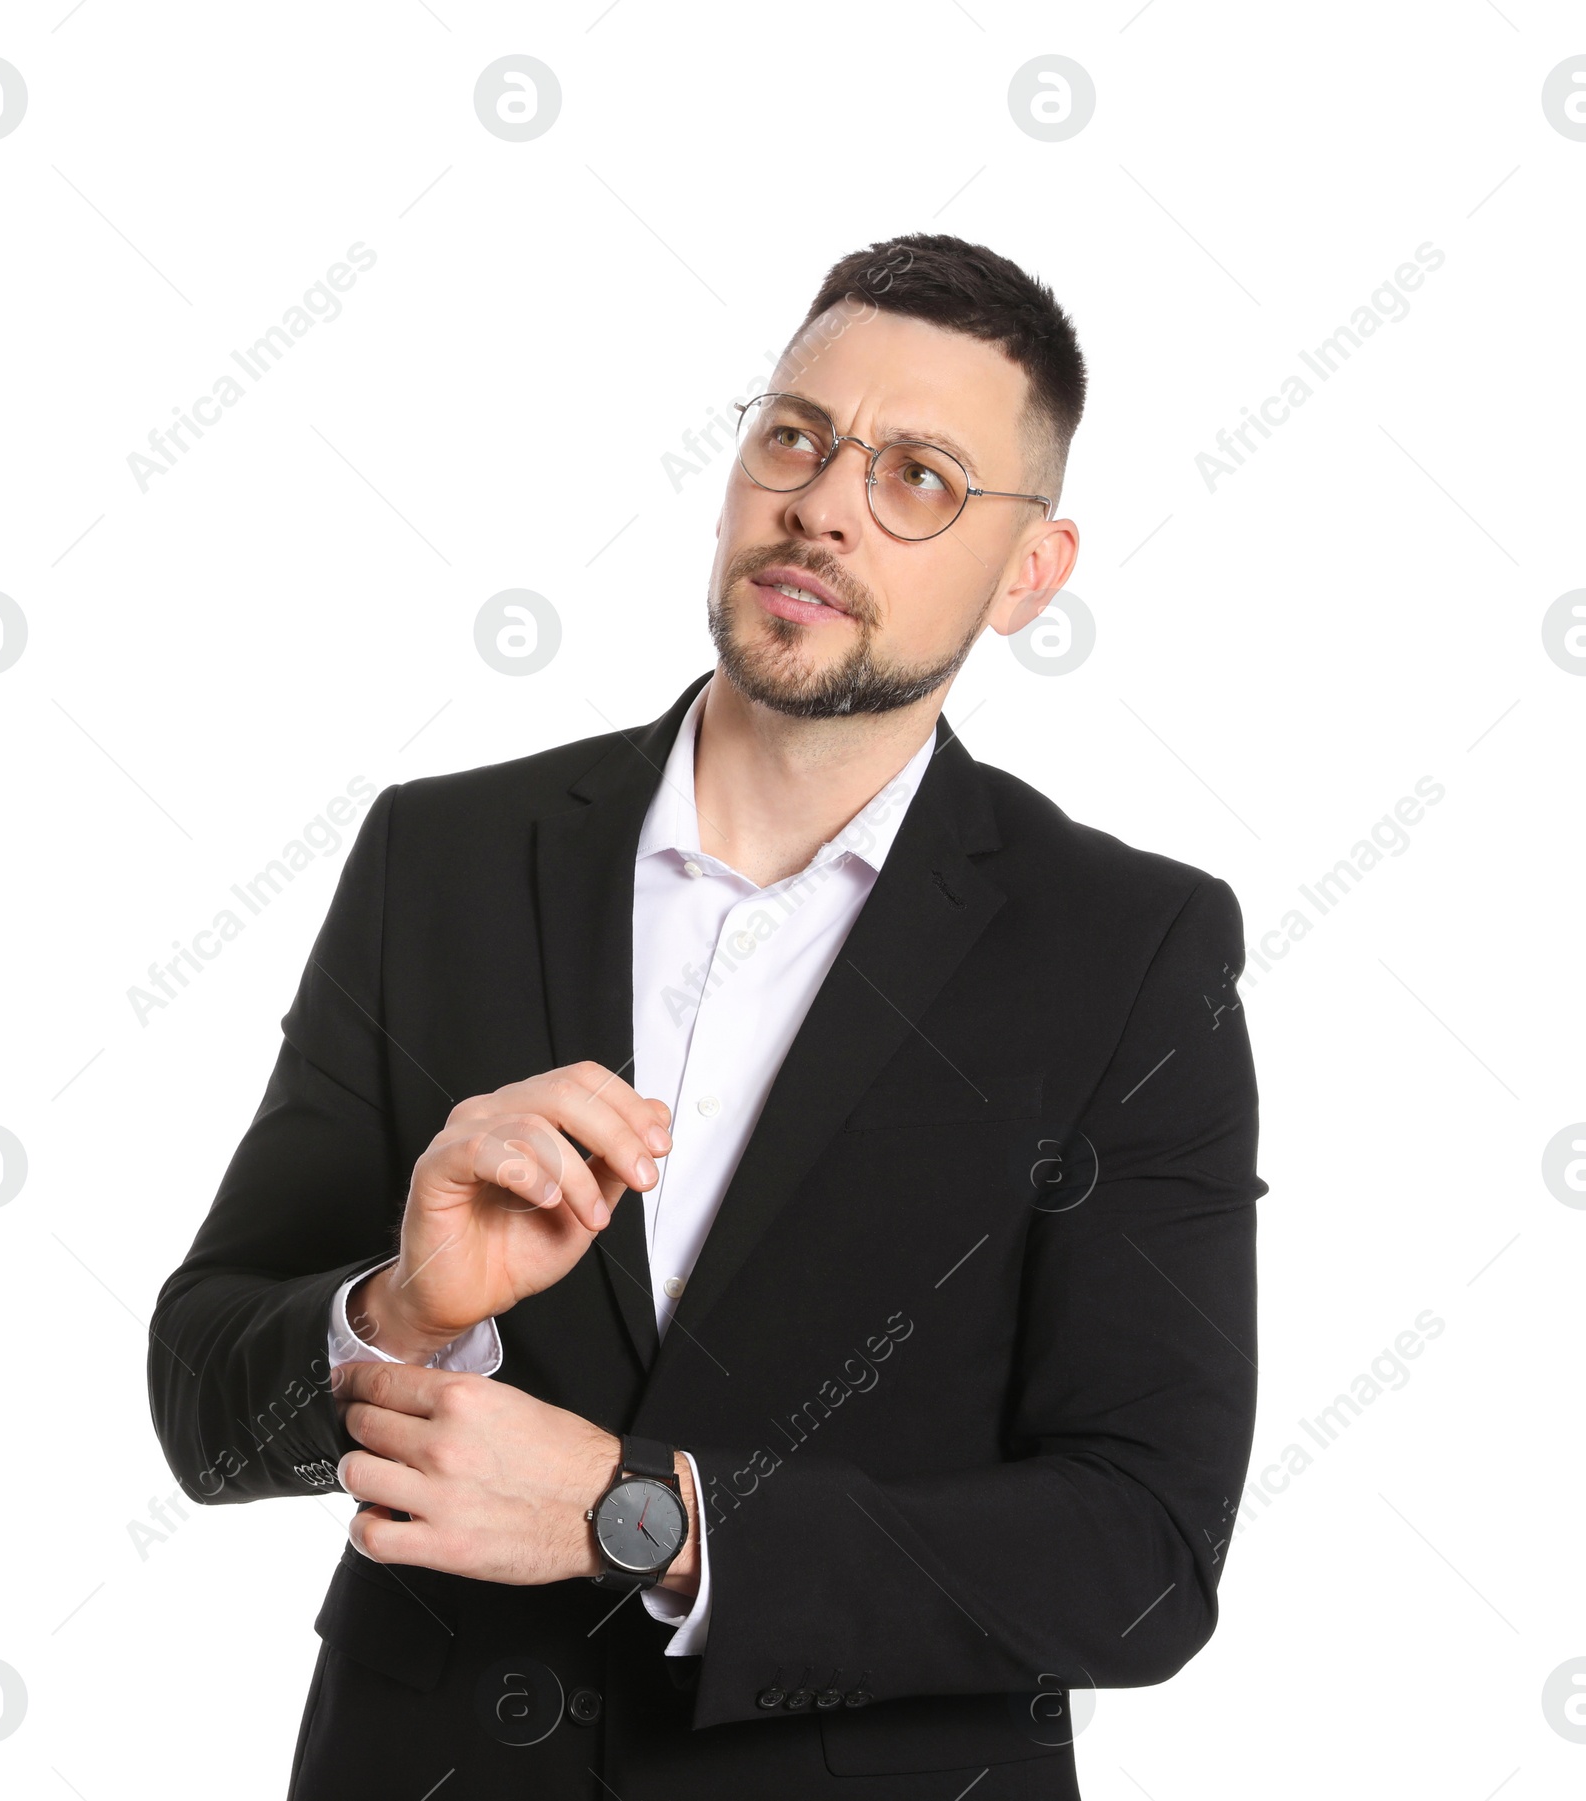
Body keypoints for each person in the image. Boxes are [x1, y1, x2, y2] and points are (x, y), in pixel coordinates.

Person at [148, 232, 1265, 1801]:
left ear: (1030, 574)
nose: (822, 501)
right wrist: (404, 1311)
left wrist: (645, 1513)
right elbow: (202, 1404)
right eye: (796, 436)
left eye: (922, 476)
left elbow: (1142, 1554)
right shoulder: (443, 856)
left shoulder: (1131, 950)